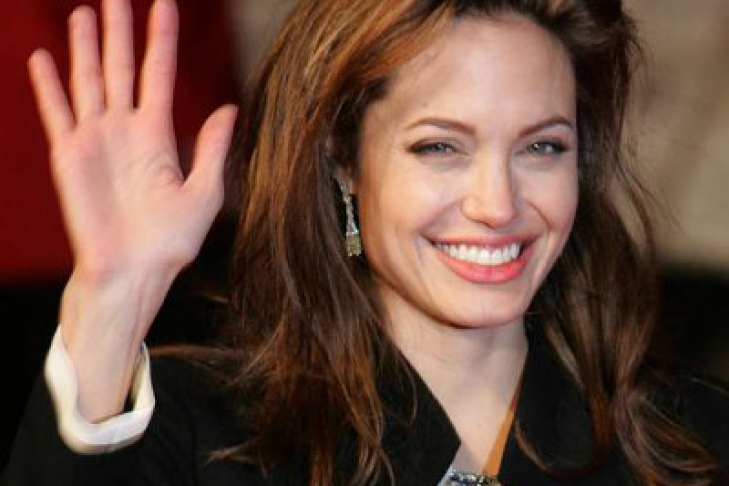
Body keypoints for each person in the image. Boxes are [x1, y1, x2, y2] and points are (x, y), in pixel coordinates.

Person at [3, 0, 729, 485]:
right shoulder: (204, 433)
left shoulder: (691, 439)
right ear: (344, 161)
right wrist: (112, 296)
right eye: (439, 147)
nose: (498, 205)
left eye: (541, 147)